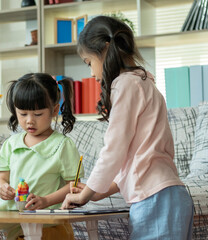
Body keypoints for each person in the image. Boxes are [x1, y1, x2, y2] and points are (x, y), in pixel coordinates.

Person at [61, 16, 194, 239]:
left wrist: (85, 195)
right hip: (168, 195)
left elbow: (114, 150)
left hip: (155, 200)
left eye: (89, 63)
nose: (92, 74)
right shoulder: (144, 82)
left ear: (105, 49)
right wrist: (94, 191)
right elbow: (133, 163)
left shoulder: (124, 85)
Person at [0, 73, 84, 240]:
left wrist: (45, 201)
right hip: (14, 225)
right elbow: (1, 178)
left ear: (54, 110)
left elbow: (74, 185)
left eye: (38, 114)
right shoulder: (11, 144)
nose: (29, 121)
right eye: (23, 114)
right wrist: (1, 188)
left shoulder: (62, 145)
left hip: (50, 225)